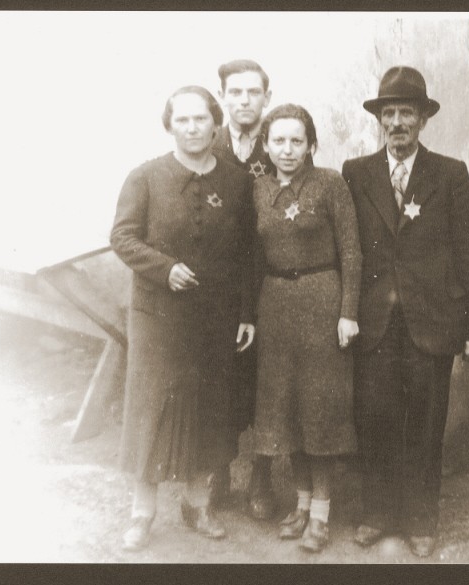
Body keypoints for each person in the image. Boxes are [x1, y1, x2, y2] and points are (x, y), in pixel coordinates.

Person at [341, 66, 469, 558]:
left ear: (423, 119)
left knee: (425, 423)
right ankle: (377, 512)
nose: (397, 122)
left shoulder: (449, 173)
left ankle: (422, 518)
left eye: (407, 112)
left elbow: (468, 250)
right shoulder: (356, 173)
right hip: (375, 322)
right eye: (389, 113)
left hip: (431, 322)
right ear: (380, 120)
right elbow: (350, 248)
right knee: (374, 418)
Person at [110, 85, 255, 551]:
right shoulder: (146, 177)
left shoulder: (235, 179)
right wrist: (164, 269)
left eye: (201, 119)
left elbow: (249, 251)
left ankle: (197, 505)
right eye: (183, 120)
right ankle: (142, 513)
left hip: (215, 318)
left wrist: (246, 312)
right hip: (158, 318)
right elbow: (123, 237)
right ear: (170, 125)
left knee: (209, 411)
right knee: (153, 409)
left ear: (216, 124)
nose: (193, 128)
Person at [252, 104, 361, 553]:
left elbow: (352, 251)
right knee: (286, 412)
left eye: (297, 140)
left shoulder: (330, 184)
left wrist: (348, 312)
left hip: (322, 302)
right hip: (275, 308)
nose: (288, 149)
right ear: (266, 145)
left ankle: (321, 513)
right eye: (278, 140)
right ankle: (299, 504)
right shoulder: (257, 190)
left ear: (311, 144)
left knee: (321, 413)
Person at [211, 59, 296, 519]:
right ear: (223, 96)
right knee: (219, 383)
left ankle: (261, 480)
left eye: (252, 92)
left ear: (266, 95)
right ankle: (217, 473)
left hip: (268, 285)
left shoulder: (281, 144)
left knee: (269, 386)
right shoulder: (209, 141)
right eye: (235, 92)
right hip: (219, 288)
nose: (244, 100)